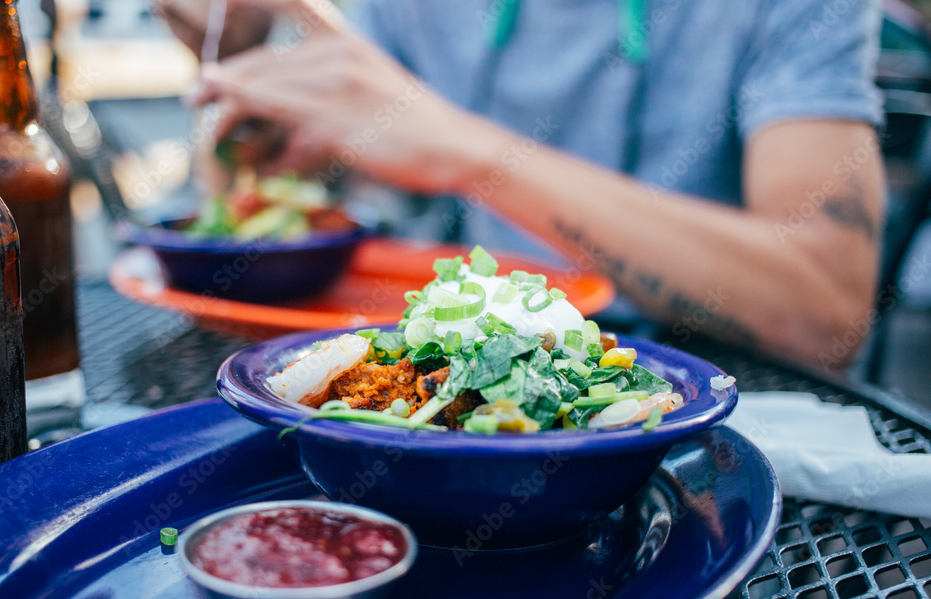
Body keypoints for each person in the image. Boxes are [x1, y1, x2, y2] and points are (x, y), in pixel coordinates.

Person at [179, 0, 886, 371]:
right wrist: (248, 74)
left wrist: (472, 153)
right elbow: (281, 183)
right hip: (445, 391)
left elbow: (823, 310)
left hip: (706, 409)